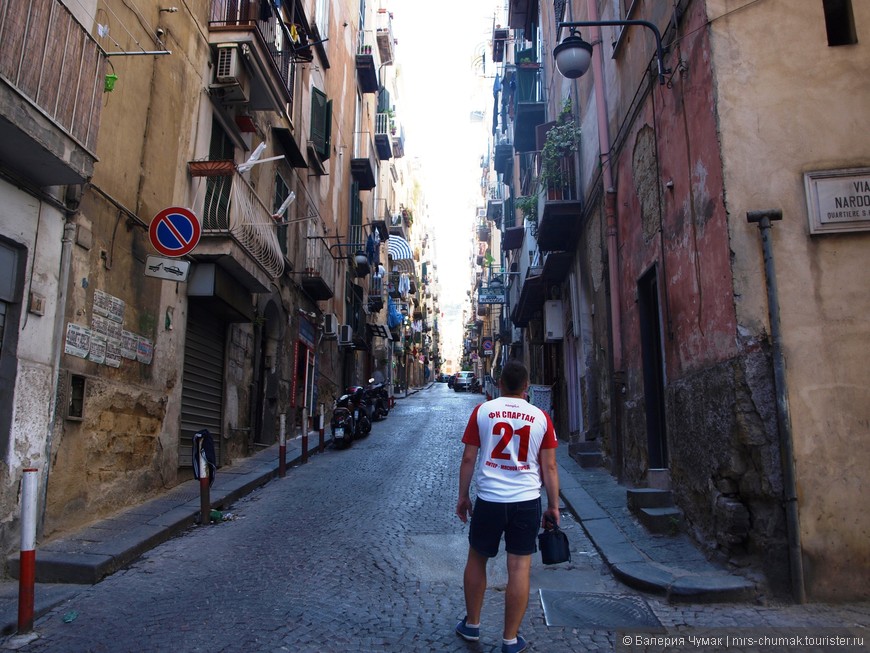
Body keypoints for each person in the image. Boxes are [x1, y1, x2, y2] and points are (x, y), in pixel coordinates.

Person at [454, 360, 560, 653]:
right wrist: (554, 506)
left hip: (489, 500)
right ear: (527, 388)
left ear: (499, 384)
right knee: (519, 567)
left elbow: (467, 458)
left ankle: (472, 625)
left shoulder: (483, 411)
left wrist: (463, 497)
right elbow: (549, 467)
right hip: (526, 501)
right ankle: (510, 639)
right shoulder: (540, 418)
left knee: (477, 559)